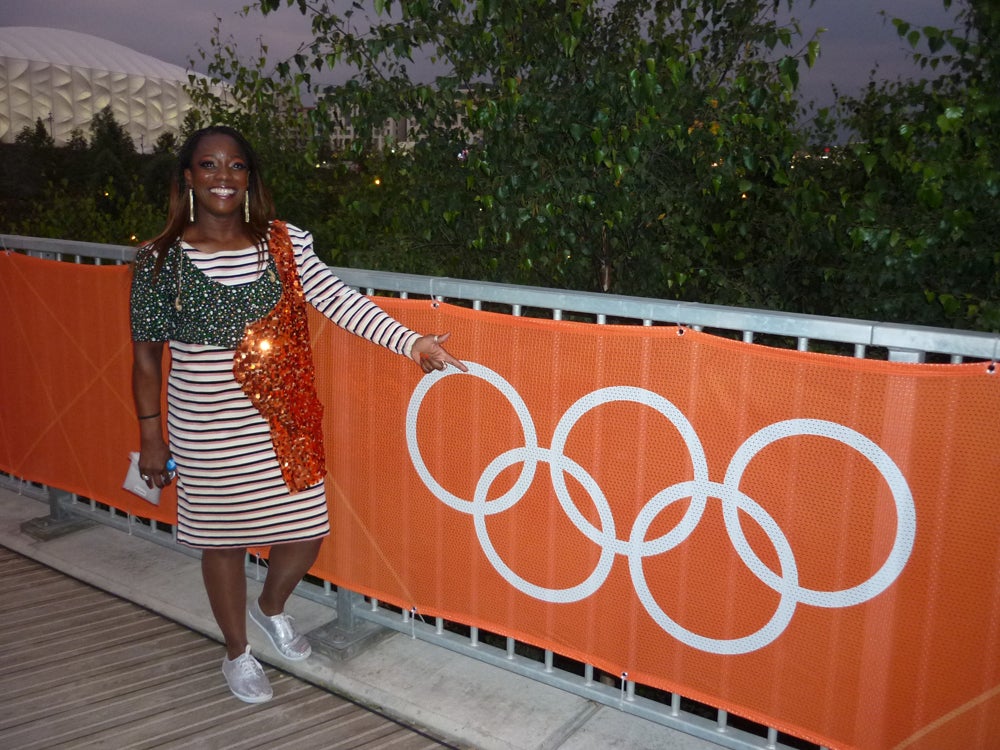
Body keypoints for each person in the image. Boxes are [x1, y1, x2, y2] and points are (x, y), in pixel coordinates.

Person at [130, 125, 466, 704]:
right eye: (209, 166)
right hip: (204, 426)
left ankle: (270, 608)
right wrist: (152, 436)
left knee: (307, 532)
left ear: (250, 177)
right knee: (223, 543)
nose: (223, 177)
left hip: (283, 421)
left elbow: (339, 301)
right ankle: (237, 651)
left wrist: (412, 344)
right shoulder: (158, 261)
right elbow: (145, 357)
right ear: (188, 177)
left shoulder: (282, 245)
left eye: (236, 166)